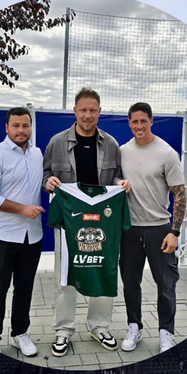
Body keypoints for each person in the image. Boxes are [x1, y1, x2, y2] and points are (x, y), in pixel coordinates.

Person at [43, 88, 129, 356]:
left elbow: (117, 175)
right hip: (70, 223)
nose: (88, 115)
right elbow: (45, 174)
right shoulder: (57, 142)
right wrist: (48, 182)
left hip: (103, 223)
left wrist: (119, 184)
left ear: (99, 112)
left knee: (103, 271)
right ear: (75, 111)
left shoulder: (111, 143)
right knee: (66, 276)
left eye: (93, 110)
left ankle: (99, 326)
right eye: (83, 110)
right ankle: (63, 329)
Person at [117, 102, 186, 354]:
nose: (138, 126)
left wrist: (174, 232)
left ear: (151, 121)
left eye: (143, 121)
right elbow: (114, 180)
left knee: (165, 284)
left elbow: (180, 196)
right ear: (129, 123)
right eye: (134, 122)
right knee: (130, 284)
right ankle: (134, 326)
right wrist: (118, 182)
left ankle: (166, 332)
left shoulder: (166, 153)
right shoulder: (122, 151)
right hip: (130, 230)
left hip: (160, 229)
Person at [0, 106, 44, 356]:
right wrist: (22, 210)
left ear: (30, 127)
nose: (21, 130)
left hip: (32, 235)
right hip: (3, 235)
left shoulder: (37, 154)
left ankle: (20, 333)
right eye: (15, 126)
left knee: (25, 288)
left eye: (25, 125)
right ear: (7, 128)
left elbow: (41, 183)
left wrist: (50, 184)